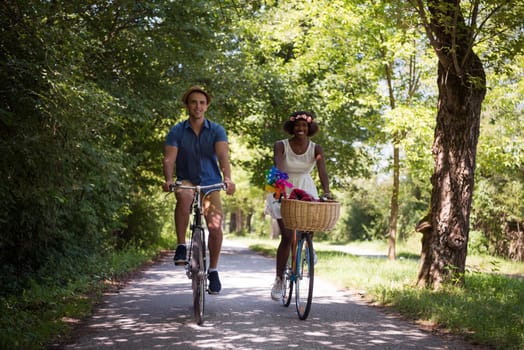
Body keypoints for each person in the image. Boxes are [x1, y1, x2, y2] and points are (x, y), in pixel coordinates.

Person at [162, 85, 236, 294]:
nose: (198, 106)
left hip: (211, 182)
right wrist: (168, 179)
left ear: (207, 106)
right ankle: (181, 246)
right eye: (193, 102)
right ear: (187, 105)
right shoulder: (177, 130)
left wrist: (227, 178)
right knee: (183, 196)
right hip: (187, 179)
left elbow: (223, 157)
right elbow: (169, 158)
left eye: (202, 103)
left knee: (214, 226)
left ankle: (213, 270)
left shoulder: (216, 130)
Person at [269, 111, 331, 301]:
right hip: (281, 183)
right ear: (292, 127)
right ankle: (279, 280)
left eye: (304, 126)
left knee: (309, 223)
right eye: (297, 125)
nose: (301, 129)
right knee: (287, 236)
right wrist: (280, 188)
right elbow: (278, 167)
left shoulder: (316, 148)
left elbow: (322, 171)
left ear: (310, 128)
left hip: (305, 184)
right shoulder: (280, 145)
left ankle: (308, 249)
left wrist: (327, 191)